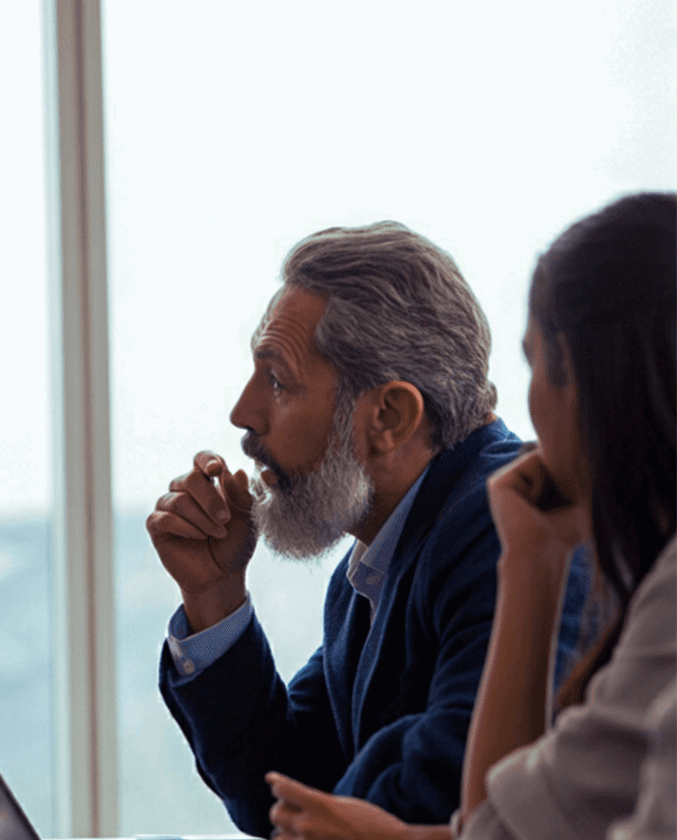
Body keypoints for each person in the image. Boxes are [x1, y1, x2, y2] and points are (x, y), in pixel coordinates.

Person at [144, 222, 589, 836]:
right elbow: (277, 796)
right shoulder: (375, 560)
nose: (243, 414)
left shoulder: (504, 529)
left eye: (277, 381)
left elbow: (449, 800)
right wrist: (214, 595)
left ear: (389, 415)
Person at [265, 193, 677, 839]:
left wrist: (530, 561)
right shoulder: (364, 571)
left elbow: (490, 820)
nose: (244, 413)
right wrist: (213, 598)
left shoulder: (484, 523)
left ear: (596, 383)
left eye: (535, 362)